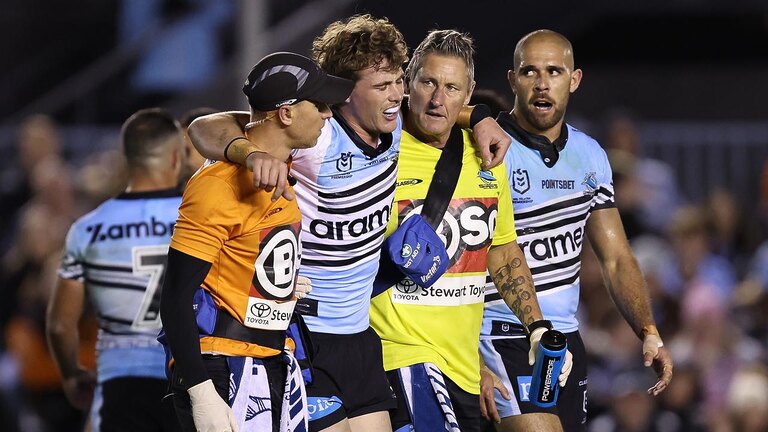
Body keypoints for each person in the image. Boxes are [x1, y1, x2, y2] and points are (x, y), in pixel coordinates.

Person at [186, 15, 511, 432]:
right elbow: (203, 126)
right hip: (306, 334)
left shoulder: (393, 130)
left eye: (398, 81)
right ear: (342, 95)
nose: (397, 95)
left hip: (360, 337)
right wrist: (249, 154)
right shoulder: (317, 138)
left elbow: (441, 108)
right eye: (382, 87)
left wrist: (481, 115)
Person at [368, 29, 569, 432]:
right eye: (427, 82)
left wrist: (536, 326)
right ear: (408, 82)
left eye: (451, 87)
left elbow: (504, 251)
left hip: (461, 365)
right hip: (400, 354)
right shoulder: (377, 150)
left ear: (470, 91)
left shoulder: (488, 158)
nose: (438, 99)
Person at [479, 30, 674, 432]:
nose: (542, 82)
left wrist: (648, 331)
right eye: (529, 71)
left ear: (575, 79)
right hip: (503, 333)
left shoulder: (590, 155)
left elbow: (617, 259)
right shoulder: (486, 148)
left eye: (554, 70)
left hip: (567, 338)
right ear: (512, 80)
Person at [160, 52, 353, 432]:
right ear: (286, 114)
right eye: (320, 105)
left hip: (273, 357)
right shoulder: (219, 184)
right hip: (224, 364)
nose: (329, 115)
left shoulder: (285, 169)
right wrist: (201, 393)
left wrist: (271, 283)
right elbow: (175, 297)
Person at [46, 108, 186, 431]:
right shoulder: (196, 219)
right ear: (176, 158)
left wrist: (71, 375)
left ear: (127, 159)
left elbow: (59, 325)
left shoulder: (89, 228)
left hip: (120, 383)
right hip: (184, 376)